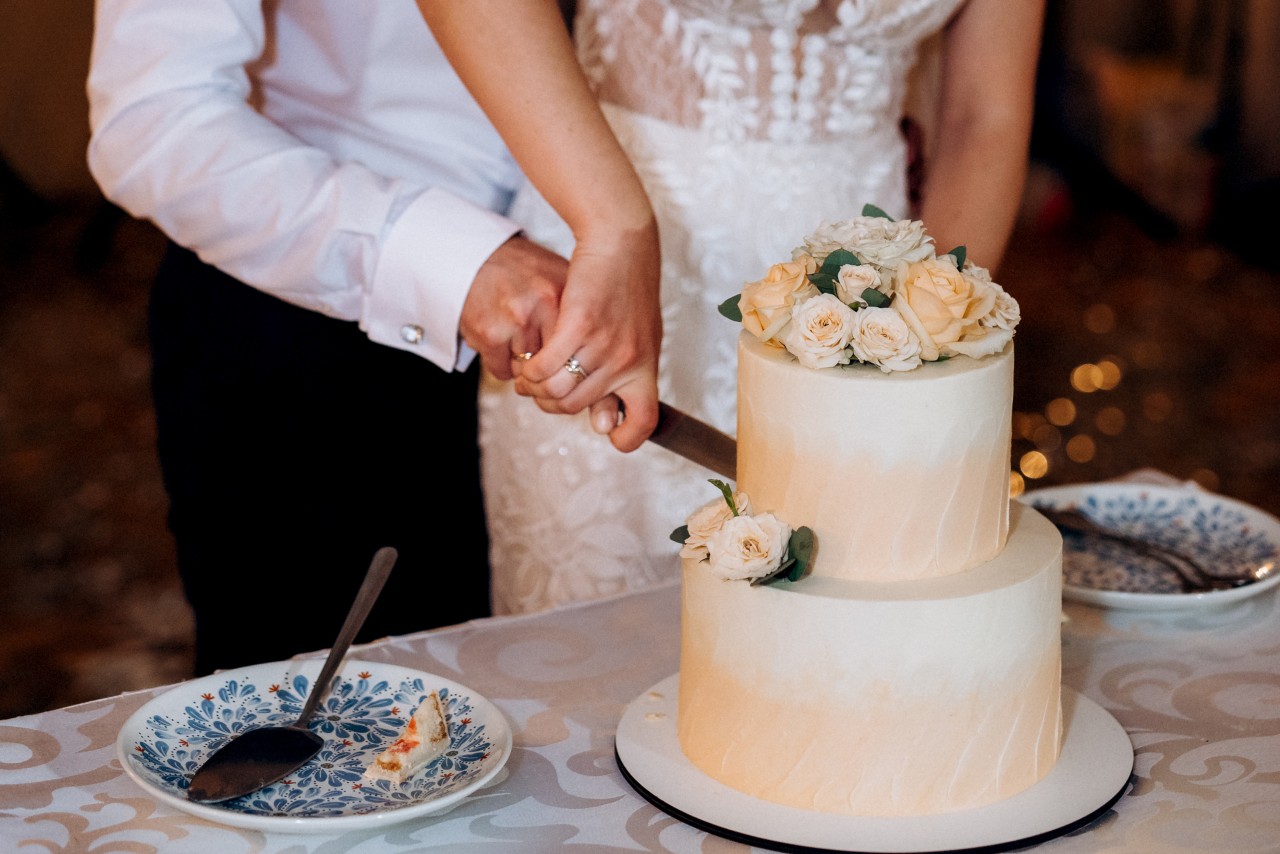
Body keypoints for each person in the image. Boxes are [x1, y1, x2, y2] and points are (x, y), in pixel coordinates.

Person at [85, 1, 660, 675]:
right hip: (322, 330)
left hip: (646, 326)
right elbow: (153, 120)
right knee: (320, 733)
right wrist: (446, 258)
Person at [420, 0, 1046, 614]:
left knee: (830, 646)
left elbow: (983, 117)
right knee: (585, 641)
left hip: (865, 293)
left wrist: (927, 342)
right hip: (604, 249)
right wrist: (613, 229)